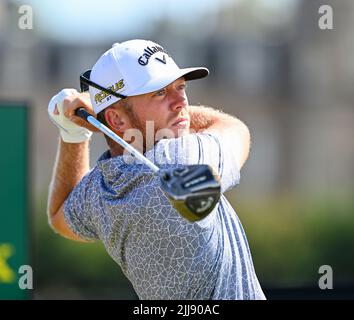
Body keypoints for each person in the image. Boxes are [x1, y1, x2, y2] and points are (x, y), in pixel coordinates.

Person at [47, 39, 266, 300]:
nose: (181, 101)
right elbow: (234, 128)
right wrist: (97, 118)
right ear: (115, 119)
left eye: (180, 87)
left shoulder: (102, 191)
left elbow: (59, 215)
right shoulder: (182, 159)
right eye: (160, 92)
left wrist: (73, 132)